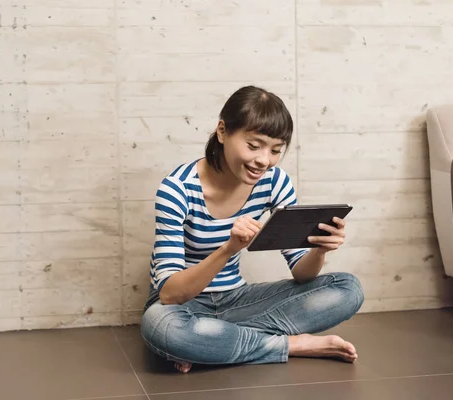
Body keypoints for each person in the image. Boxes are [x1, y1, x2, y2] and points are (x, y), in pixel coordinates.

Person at [140, 85, 364, 373]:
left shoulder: (274, 182)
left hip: (237, 300)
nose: (264, 160)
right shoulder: (177, 190)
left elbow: (301, 272)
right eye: (254, 145)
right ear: (222, 132)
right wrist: (229, 248)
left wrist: (318, 250)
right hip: (183, 307)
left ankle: (214, 344)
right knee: (162, 327)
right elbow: (170, 294)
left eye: (275, 150)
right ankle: (291, 344)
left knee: (348, 288)